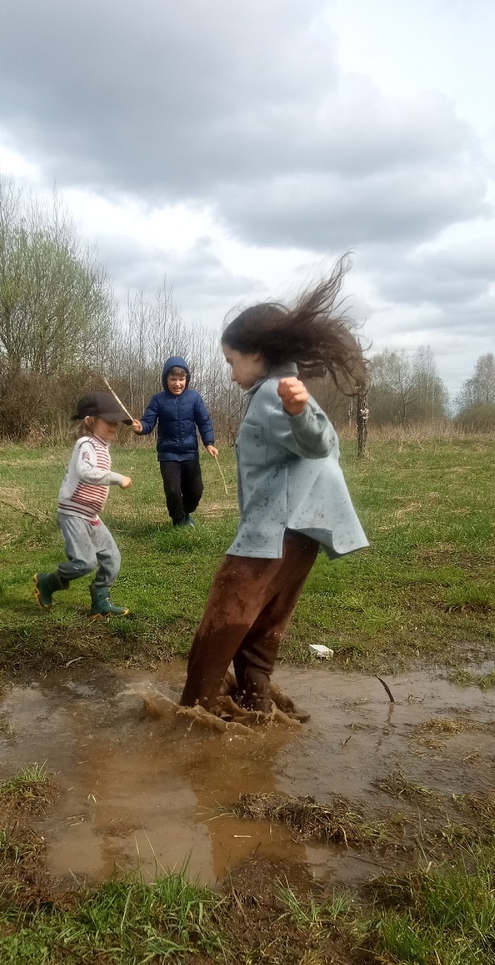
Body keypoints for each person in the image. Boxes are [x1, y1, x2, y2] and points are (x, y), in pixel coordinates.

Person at [179, 259, 368, 716]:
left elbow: (320, 442)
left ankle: (189, 722)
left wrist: (301, 412)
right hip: (303, 531)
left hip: (274, 531)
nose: (229, 373)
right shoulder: (282, 387)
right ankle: (257, 712)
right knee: (261, 637)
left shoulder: (274, 393)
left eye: (231, 361)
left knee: (222, 623)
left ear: (257, 355)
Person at [33, 392, 134, 618]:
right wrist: (117, 478)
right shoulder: (86, 444)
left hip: (91, 515)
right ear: (90, 420)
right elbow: (86, 472)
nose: (115, 426)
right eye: (109, 421)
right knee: (85, 562)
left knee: (112, 558)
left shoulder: (102, 446)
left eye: (117, 422)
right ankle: (47, 583)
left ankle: (101, 600)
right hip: (73, 513)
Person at [132, 356, 218, 526]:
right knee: (173, 490)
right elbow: (148, 422)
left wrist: (209, 443)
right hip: (168, 455)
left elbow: (204, 421)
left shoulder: (194, 398)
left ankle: (186, 512)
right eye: (173, 379)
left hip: (190, 454)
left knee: (196, 490)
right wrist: (141, 427)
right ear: (166, 379)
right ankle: (178, 520)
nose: (177, 383)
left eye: (181, 379)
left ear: (187, 379)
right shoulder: (158, 400)